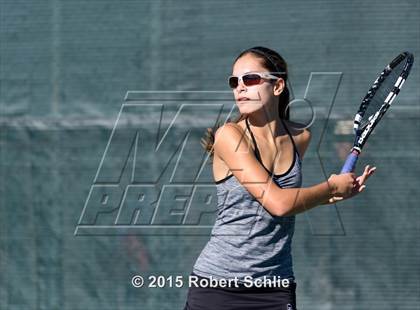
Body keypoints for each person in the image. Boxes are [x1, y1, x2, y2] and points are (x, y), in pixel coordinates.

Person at [183, 46, 376, 310]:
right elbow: (278, 203)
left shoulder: (300, 138)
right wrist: (330, 186)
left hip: (276, 286)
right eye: (234, 81)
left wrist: (336, 193)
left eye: (250, 79)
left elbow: (289, 203)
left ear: (277, 86)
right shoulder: (229, 135)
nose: (240, 87)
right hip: (219, 286)